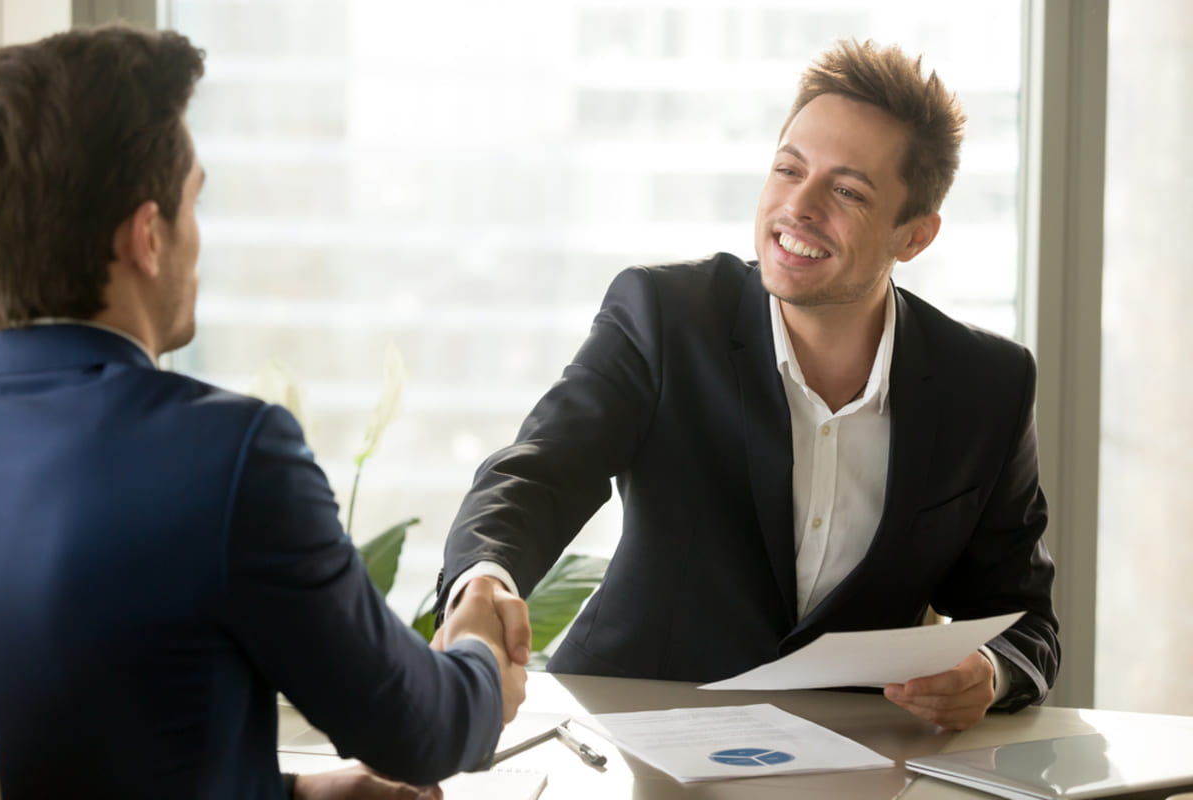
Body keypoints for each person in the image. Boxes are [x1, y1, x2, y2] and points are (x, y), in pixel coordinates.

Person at [436, 38, 1060, 732]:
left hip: (849, 761)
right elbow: (541, 474)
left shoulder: (987, 386)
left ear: (914, 236)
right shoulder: (664, 316)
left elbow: (1025, 617)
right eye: (788, 169)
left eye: (848, 190)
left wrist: (988, 672)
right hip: (629, 736)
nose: (798, 206)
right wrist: (484, 579)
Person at [0, 25, 529, 800]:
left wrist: (295, 794)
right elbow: (422, 729)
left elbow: (102, 747)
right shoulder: (225, 456)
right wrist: (480, 648)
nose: (198, 242)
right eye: (192, 204)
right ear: (148, 236)